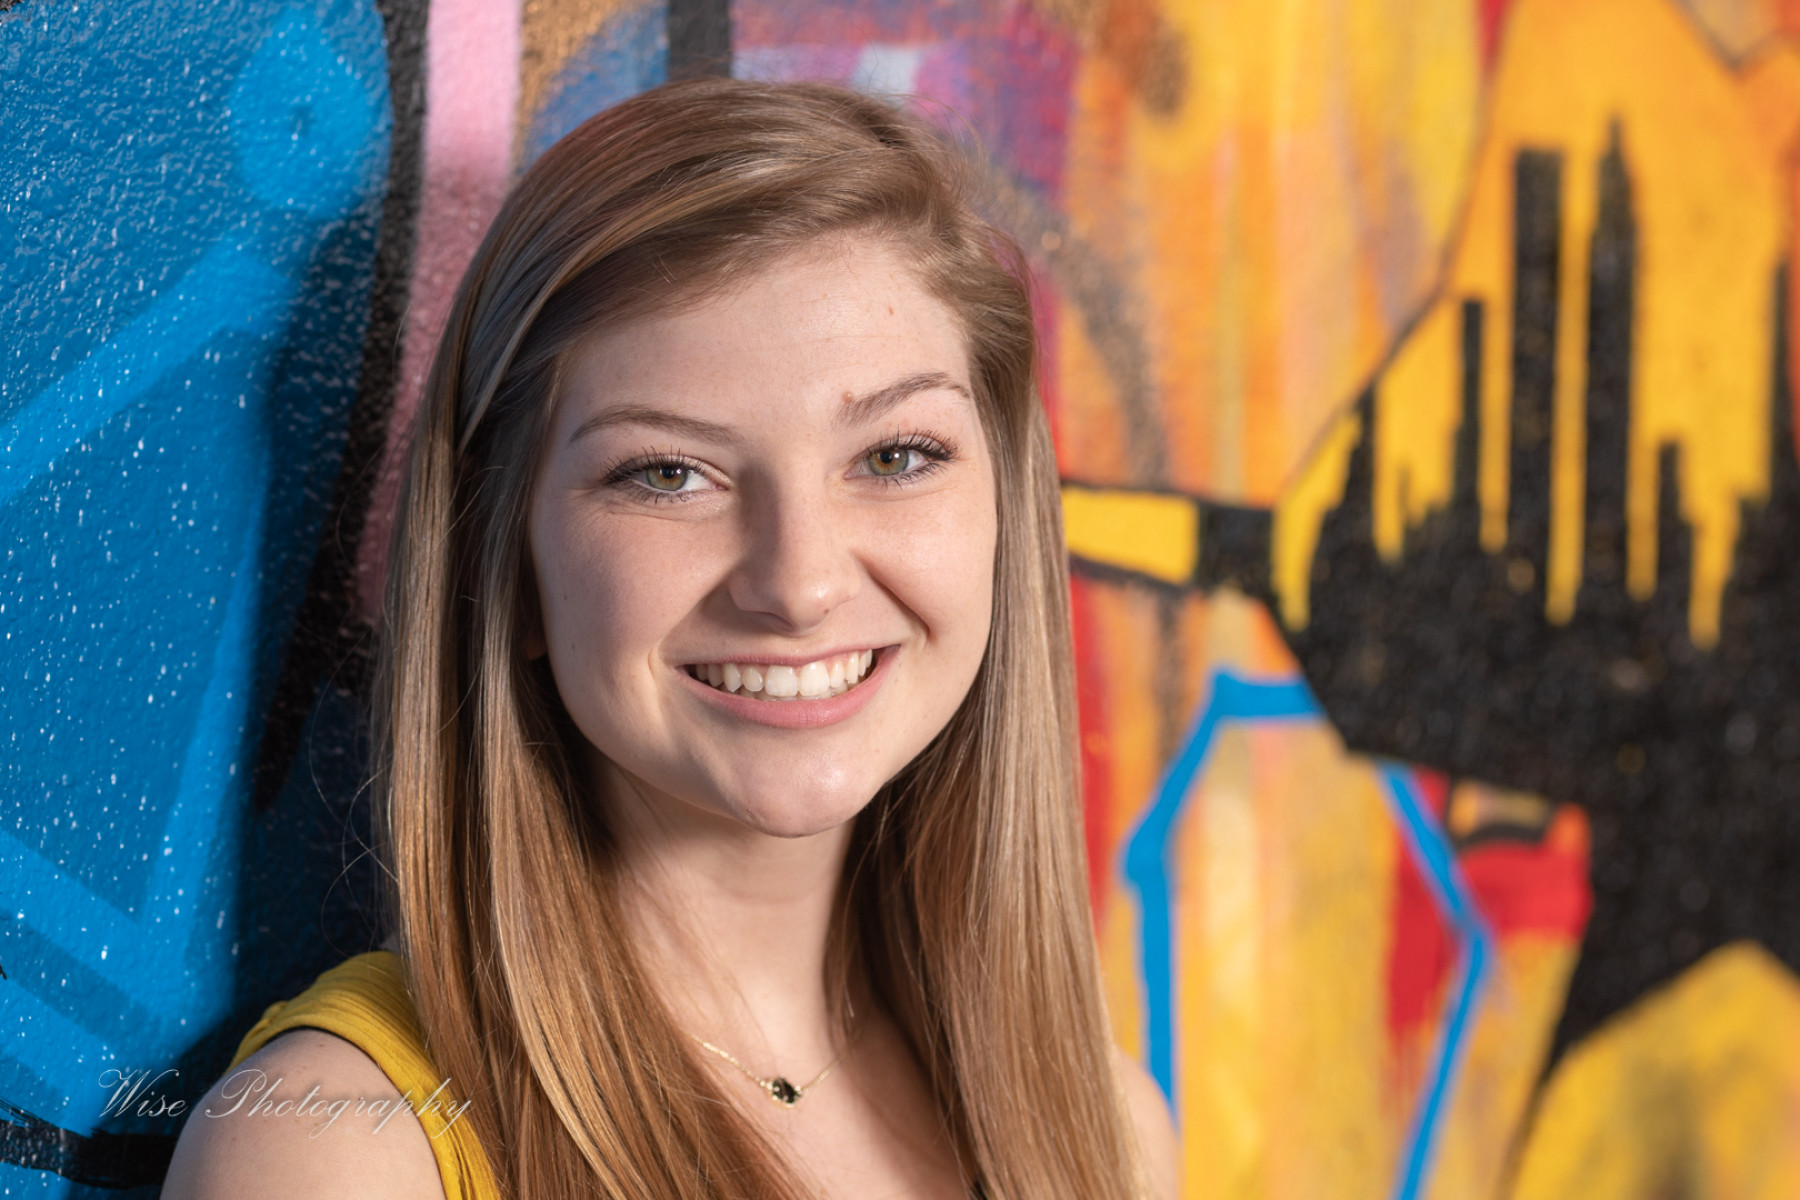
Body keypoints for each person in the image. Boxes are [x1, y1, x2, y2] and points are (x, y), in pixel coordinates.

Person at [163, 77, 1178, 1200]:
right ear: (510, 560)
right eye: (668, 474)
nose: (799, 584)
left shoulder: (1106, 1134)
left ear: (1004, 512)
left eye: (895, 456)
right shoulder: (341, 1153)